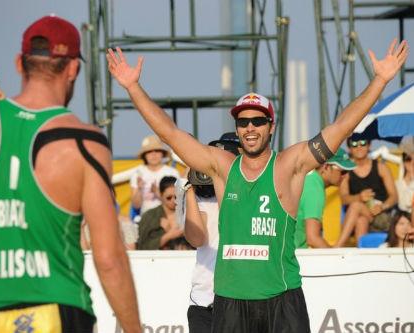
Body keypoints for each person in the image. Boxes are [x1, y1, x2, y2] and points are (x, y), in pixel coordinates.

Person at [107, 38, 408, 332]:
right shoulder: (222, 167)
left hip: (281, 298)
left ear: (271, 126)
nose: (250, 128)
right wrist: (133, 88)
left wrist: (379, 81)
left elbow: (341, 127)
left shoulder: (290, 165)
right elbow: (170, 134)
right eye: (243, 122)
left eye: (258, 121)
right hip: (230, 301)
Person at [0, 15, 141, 333]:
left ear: (19, 65)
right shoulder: (85, 141)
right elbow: (109, 258)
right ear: (74, 68)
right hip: (59, 309)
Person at [178, 133, 240, 333]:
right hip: (204, 300)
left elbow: (230, 217)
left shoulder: (250, 195)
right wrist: (188, 189)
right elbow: (197, 238)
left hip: (240, 297)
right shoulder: (198, 198)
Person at [335, 137, 398, 247]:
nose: (359, 147)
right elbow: (344, 198)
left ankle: (338, 246)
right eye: (354, 144)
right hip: (362, 216)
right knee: (360, 220)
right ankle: (362, 256)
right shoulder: (346, 172)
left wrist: (382, 207)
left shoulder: (381, 167)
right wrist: (359, 197)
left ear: (369, 146)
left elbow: (394, 196)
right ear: (349, 148)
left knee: (355, 207)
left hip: (382, 216)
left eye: (363, 143)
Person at [294, 148, 356, 248]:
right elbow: (313, 238)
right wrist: (334, 259)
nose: (346, 176)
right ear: (326, 167)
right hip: (293, 257)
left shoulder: (309, 181)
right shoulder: (315, 188)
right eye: (343, 171)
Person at [130, 135, 180, 217]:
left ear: (162, 153)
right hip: (146, 219)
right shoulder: (138, 174)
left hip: (169, 218)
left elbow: (177, 203)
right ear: (144, 155)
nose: (153, 154)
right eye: (149, 151)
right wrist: (139, 189)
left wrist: (157, 193)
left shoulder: (173, 173)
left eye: (157, 150)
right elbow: (136, 206)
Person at [137, 176, 185, 249]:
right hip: (155, 259)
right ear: (161, 195)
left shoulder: (187, 214)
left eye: (176, 197)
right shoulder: (149, 216)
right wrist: (168, 235)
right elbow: (142, 246)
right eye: (169, 197)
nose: (173, 201)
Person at [396, 152, 414, 217]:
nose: (412, 163)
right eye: (409, 160)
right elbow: (404, 205)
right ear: (405, 163)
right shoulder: (397, 184)